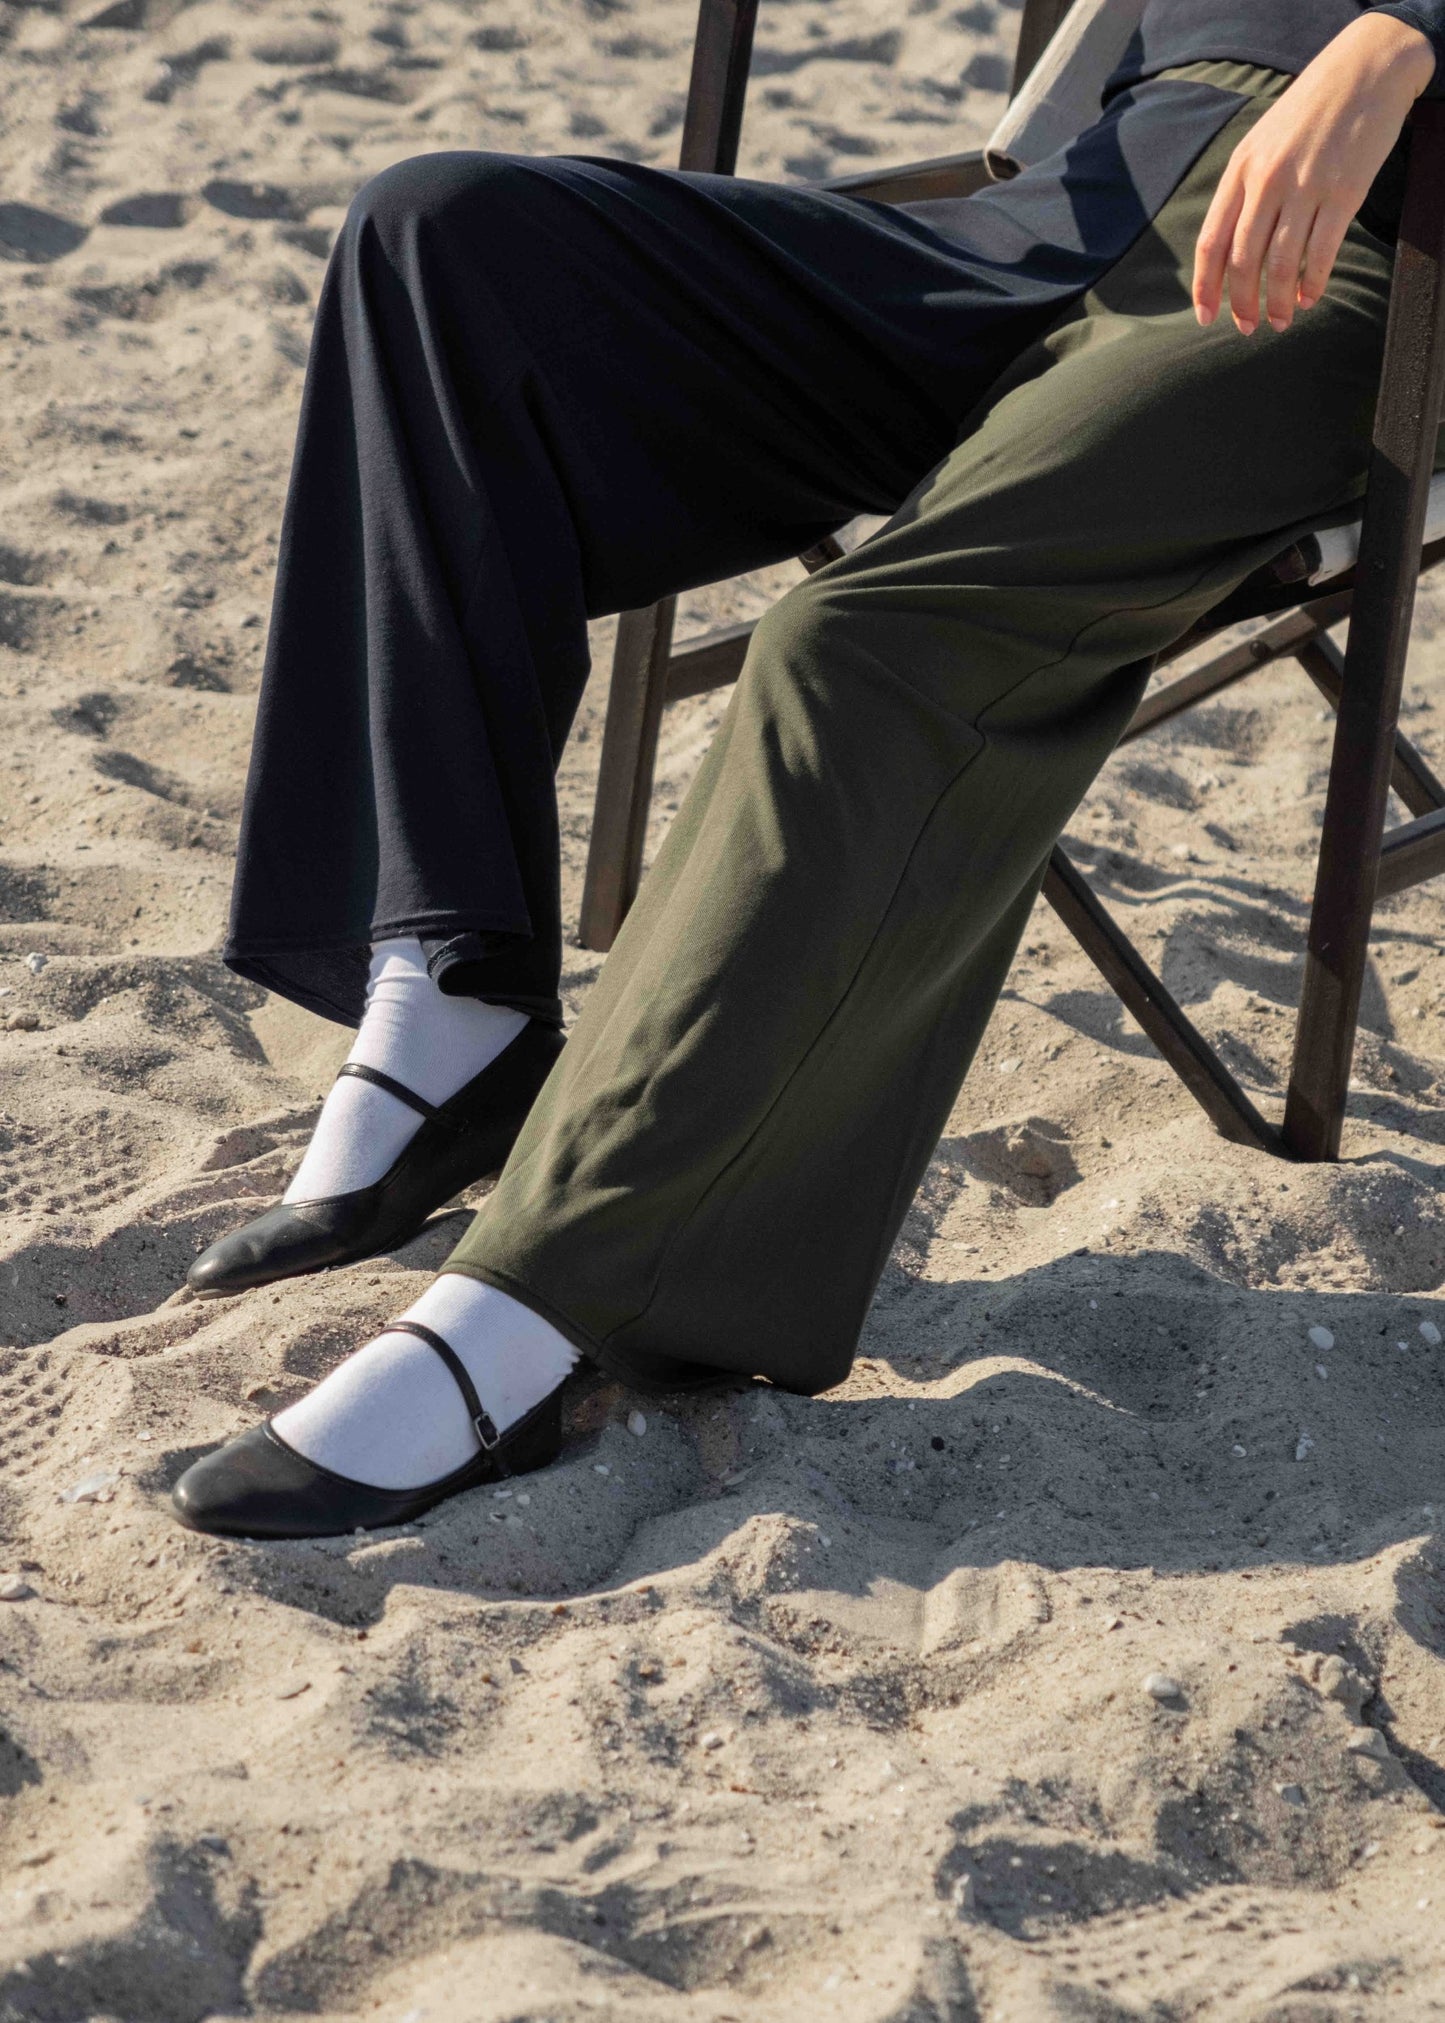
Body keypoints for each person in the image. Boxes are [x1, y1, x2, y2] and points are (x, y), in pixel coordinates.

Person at [172, 3, 1443, 1538]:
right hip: (1080, 189)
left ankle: (550, 1298)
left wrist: (1399, 40)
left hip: (1371, 260)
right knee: (442, 239)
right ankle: (456, 995)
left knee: (855, 648)